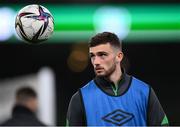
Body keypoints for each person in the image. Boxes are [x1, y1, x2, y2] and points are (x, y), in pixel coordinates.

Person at [67, 32, 169, 126]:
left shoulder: (144, 92)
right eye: (92, 56)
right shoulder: (80, 98)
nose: (96, 62)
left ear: (119, 57)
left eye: (102, 55)